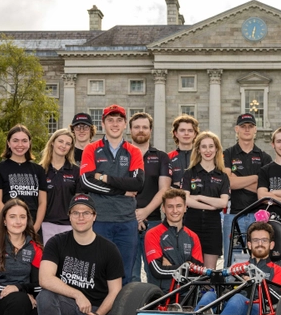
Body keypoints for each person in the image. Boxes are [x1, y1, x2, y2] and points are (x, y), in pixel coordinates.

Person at [34, 193, 124, 315]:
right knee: (45, 296)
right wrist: (77, 294)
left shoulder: (109, 249)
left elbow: (115, 292)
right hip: (68, 305)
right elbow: (44, 278)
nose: (80, 217)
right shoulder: (57, 242)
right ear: (69, 216)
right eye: (75, 212)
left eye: (86, 212)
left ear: (94, 216)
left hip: (95, 311)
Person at [79, 104, 145, 283]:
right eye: (110, 120)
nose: (114, 124)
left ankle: (122, 311)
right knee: (98, 273)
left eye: (119, 120)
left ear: (125, 124)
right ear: (103, 124)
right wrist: (123, 190)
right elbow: (86, 182)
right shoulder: (91, 149)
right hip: (100, 220)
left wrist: (104, 177)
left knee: (125, 273)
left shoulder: (134, 151)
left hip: (126, 222)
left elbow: (138, 183)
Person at [196, 221, 281, 315]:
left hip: (259, 307)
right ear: (249, 245)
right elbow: (223, 288)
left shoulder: (278, 271)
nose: (260, 244)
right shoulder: (237, 267)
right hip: (232, 302)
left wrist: (256, 283)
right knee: (209, 295)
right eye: (255, 240)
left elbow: (277, 298)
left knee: (238, 299)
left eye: (264, 240)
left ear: (271, 245)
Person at [130, 112, 172, 282]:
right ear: (130, 130)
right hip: (126, 220)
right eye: (137, 127)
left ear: (150, 130)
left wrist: (144, 212)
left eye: (145, 127)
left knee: (155, 273)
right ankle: (131, 308)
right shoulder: (123, 156)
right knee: (131, 274)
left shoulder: (161, 157)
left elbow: (164, 189)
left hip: (153, 222)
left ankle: (155, 307)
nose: (141, 131)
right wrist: (133, 214)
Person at [223, 113, 273, 254]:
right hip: (233, 215)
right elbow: (228, 183)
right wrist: (257, 177)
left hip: (259, 217)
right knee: (231, 262)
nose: (246, 129)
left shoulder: (265, 157)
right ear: (236, 129)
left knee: (258, 260)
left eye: (250, 126)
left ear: (255, 129)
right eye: (243, 126)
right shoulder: (228, 153)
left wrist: (238, 179)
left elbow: (265, 191)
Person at [183, 131, 231, 269]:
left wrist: (198, 197)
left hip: (213, 226)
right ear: (198, 149)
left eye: (211, 146)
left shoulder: (222, 176)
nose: (208, 150)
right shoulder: (190, 173)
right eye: (204, 147)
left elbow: (223, 203)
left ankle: (208, 292)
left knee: (210, 272)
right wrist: (211, 205)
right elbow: (185, 199)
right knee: (190, 269)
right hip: (192, 223)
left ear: (216, 149)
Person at [0, 124, 47, 233]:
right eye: (15, 140)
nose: (20, 145)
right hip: (6, 227)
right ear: (8, 143)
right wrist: (11, 222)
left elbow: (42, 202)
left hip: (32, 227)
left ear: (29, 143)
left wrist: (36, 226)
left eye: (24, 141)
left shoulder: (38, 170)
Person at [144, 188, 204, 291]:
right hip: (160, 297)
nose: (175, 211)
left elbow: (199, 272)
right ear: (163, 208)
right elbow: (157, 271)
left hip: (187, 296)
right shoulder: (152, 234)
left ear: (185, 208)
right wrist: (186, 266)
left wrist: (170, 267)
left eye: (179, 206)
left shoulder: (193, 236)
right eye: (170, 206)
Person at [40, 128, 81, 245]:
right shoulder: (40, 170)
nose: (63, 146)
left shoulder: (76, 171)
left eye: (68, 144)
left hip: (68, 226)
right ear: (52, 142)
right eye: (60, 141)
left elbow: (78, 201)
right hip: (45, 225)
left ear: (70, 148)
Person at [169, 114, 199, 189]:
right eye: (182, 130)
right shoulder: (167, 157)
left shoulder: (202, 156)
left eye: (190, 130)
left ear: (195, 134)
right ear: (176, 133)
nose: (186, 133)